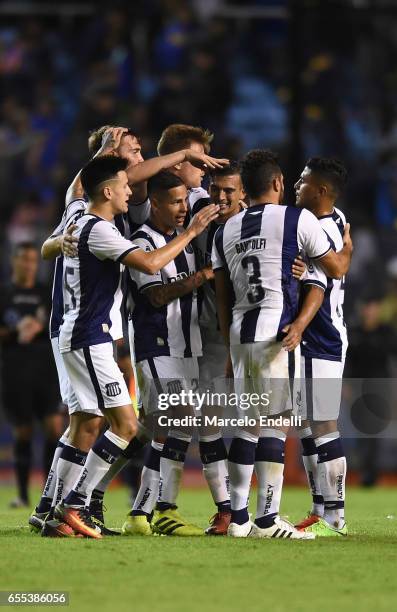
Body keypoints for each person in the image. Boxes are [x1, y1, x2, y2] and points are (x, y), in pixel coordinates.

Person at [53, 155, 219, 538]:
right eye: (125, 185)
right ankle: (76, 504)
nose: (132, 191)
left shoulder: (79, 218)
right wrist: (192, 233)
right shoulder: (100, 229)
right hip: (88, 336)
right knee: (127, 426)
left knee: (106, 424)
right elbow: (147, 264)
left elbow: (62, 225)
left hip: (88, 336)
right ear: (108, 191)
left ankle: (66, 510)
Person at [212, 149, 353, 539]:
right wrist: (341, 254)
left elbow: (221, 295)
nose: (294, 185)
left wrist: (227, 343)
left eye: (303, 180)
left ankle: (251, 516)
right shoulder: (301, 220)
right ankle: (268, 519)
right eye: (290, 179)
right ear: (275, 183)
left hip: (253, 334)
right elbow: (334, 270)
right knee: (282, 424)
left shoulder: (227, 228)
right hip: (283, 334)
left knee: (272, 424)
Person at [293, 157, 350, 537]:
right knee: (308, 428)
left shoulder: (320, 228)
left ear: (322, 190)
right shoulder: (336, 219)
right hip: (314, 335)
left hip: (322, 335)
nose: (298, 186)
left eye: (303, 182)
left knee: (324, 425)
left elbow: (334, 270)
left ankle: (336, 516)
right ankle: (318, 508)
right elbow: (341, 260)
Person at [0, 243, 62, 508]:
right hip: (15, 372)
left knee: (53, 429)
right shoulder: (4, 294)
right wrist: (16, 333)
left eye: (32, 261)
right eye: (23, 260)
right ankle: (23, 495)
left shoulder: (45, 293)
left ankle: (48, 493)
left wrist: (41, 325)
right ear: (14, 262)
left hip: (46, 370)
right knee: (23, 432)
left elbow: (60, 322)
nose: (28, 265)